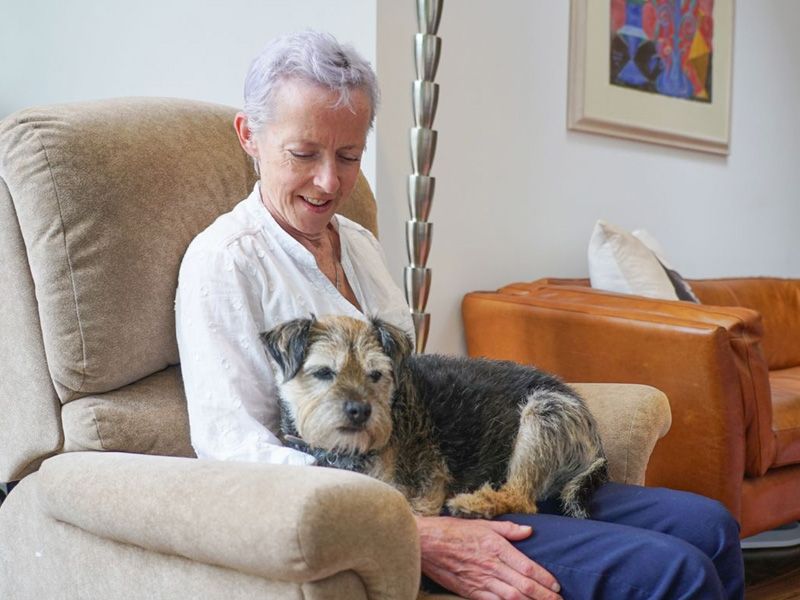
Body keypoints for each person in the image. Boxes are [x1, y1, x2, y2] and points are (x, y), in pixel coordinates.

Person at [175, 30, 744, 599]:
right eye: (304, 154)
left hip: (451, 472)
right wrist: (410, 531)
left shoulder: (358, 243)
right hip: (385, 511)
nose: (329, 182)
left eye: (348, 156)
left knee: (713, 527)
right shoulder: (226, 263)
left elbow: (413, 388)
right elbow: (234, 451)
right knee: (677, 570)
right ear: (249, 136)